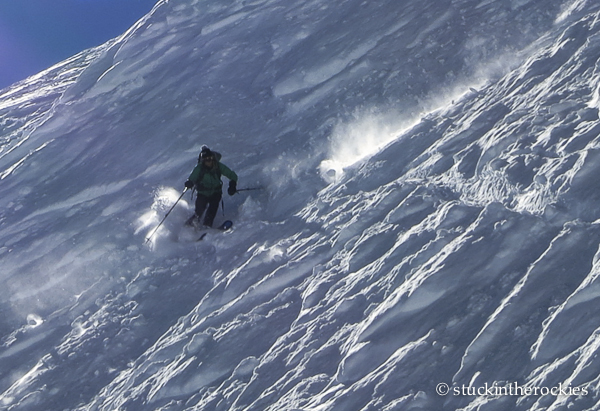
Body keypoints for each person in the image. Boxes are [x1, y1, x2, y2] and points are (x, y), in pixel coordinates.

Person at [184, 146, 238, 228]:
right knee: (199, 211)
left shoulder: (218, 166)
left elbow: (232, 175)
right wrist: (190, 182)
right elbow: (193, 177)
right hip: (202, 193)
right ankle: (189, 227)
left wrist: (232, 185)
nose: (209, 161)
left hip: (216, 192)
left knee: (212, 210)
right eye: (206, 159)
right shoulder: (199, 168)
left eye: (210, 158)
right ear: (203, 160)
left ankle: (207, 226)